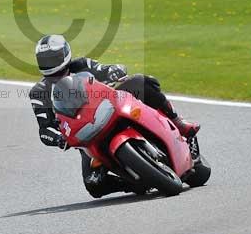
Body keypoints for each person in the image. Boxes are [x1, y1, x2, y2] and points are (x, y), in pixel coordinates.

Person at [29, 34, 200, 198]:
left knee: (142, 82)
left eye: (53, 58)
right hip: (85, 132)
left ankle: (178, 122)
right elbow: (45, 128)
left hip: (110, 104)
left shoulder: (81, 64)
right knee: (93, 186)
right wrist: (59, 139)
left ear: (65, 53)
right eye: (45, 60)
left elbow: (106, 68)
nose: (49, 63)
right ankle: (134, 184)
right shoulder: (38, 92)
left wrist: (114, 70)